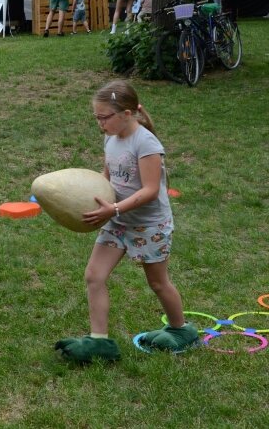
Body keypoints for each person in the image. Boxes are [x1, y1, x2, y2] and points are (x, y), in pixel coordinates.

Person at [54, 80, 197, 363]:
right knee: (94, 276)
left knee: (158, 283)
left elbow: (150, 190)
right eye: (97, 117)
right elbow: (107, 177)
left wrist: (114, 209)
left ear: (127, 114)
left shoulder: (146, 143)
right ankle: (99, 342)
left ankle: (181, 330)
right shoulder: (110, 137)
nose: (100, 124)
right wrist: (91, 202)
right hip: (117, 220)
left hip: (149, 225)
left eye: (104, 117)